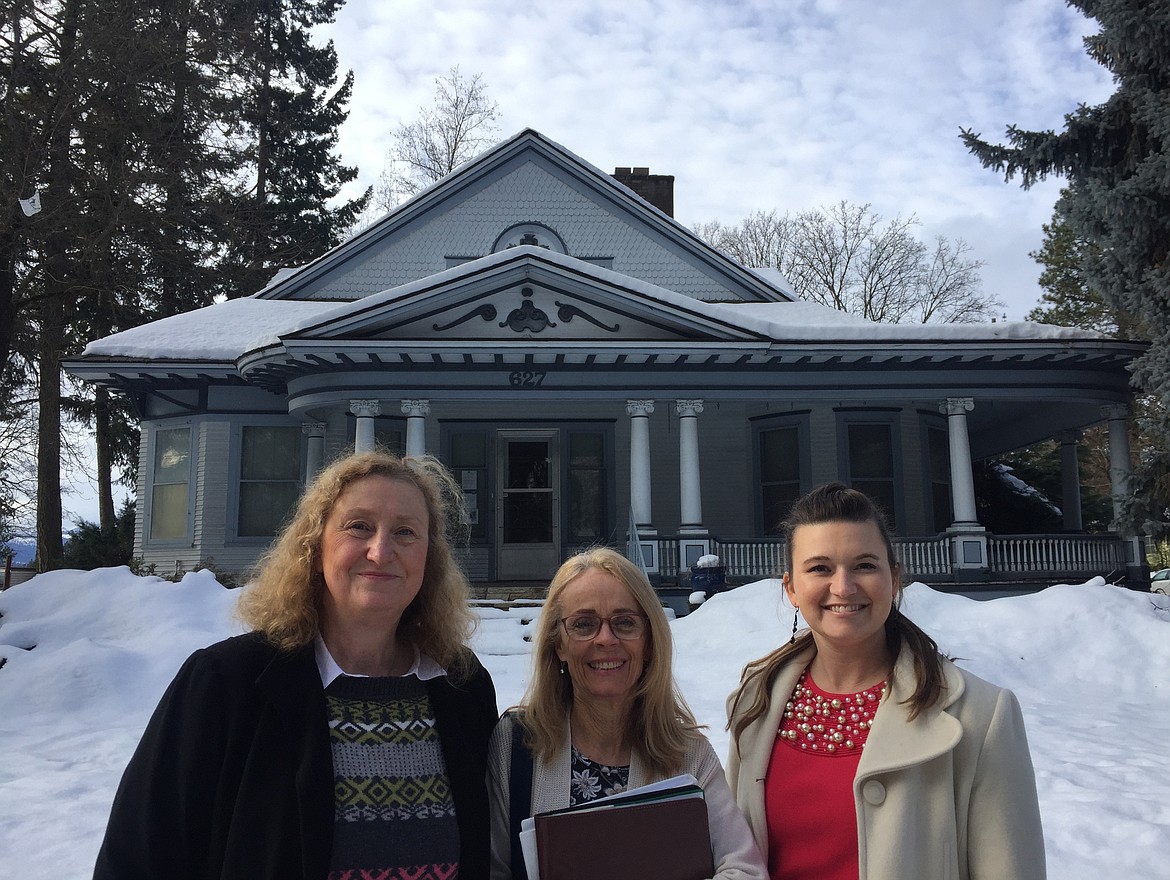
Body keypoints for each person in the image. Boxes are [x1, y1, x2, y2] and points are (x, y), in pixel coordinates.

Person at [93, 451, 498, 880]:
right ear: (314, 542)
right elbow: (141, 858)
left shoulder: (462, 687)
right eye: (359, 526)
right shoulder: (226, 683)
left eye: (406, 532)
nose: (381, 552)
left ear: (429, 557)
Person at [725, 482, 1046, 880]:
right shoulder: (754, 703)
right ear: (791, 587)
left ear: (893, 579)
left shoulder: (980, 717)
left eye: (864, 565)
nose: (843, 587)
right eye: (820, 568)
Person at [488, 547, 767, 880]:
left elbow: (745, 869)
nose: (606, 639)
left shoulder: (688, 756)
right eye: (583, 624)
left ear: (648, 641)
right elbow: (488, 869)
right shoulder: (517, 745)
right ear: (558, 644)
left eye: (625, 622)